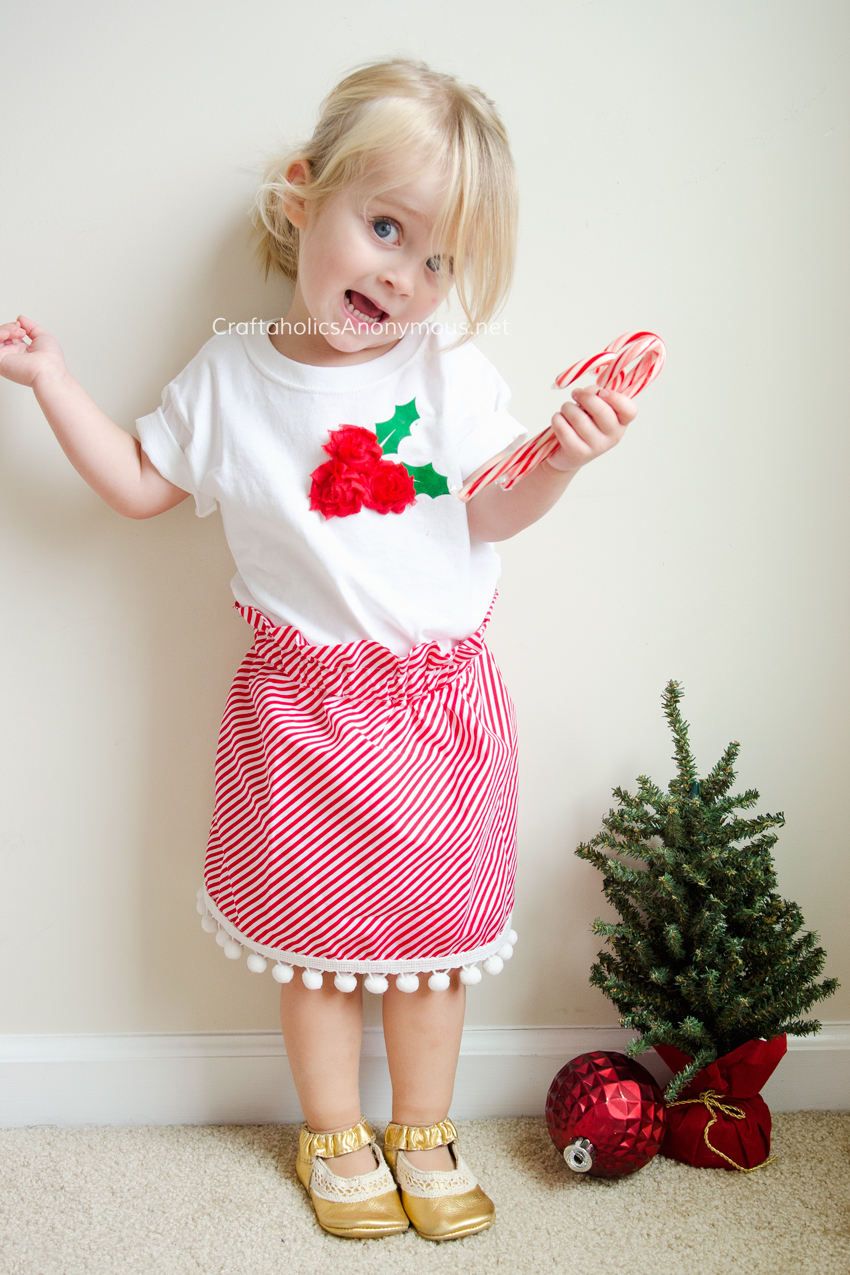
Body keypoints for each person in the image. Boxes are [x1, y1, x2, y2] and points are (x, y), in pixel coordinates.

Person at [0, 59, 637, 1242]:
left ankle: (425, 1128)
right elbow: (143, 485)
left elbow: (488, 508)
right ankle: (333, 1131)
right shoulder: (232, 375)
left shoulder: (447, 372)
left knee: (435, 951)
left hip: (439, 714)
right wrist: (52, 382)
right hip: (300, 716)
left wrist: (562, 455)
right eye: (384, 227)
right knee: (315, 952)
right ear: (303, 196)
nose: (403, 276)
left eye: (437, 259)